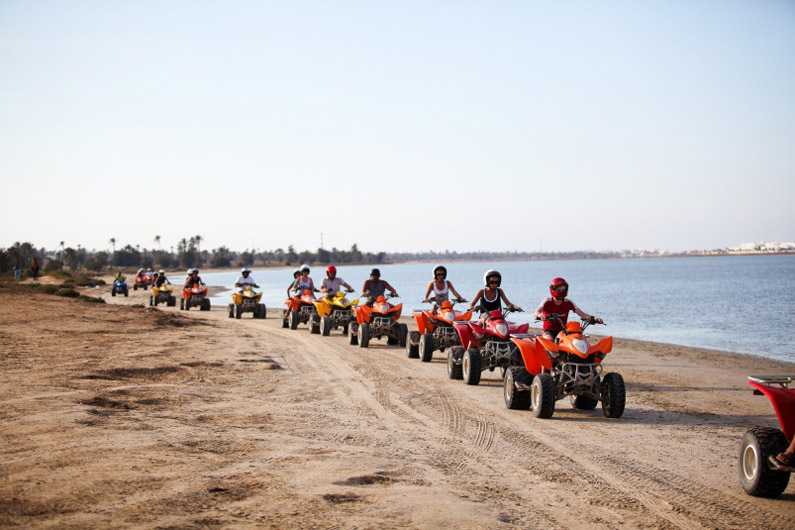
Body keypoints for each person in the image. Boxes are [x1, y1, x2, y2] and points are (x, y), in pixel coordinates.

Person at [533, 277, 603, 341]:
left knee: (572, 341)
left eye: (563, 289)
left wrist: (595, 318)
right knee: (549, 339)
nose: (561, 291)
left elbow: (582, 314)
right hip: (548, 330)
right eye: (559, 290)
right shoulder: (547, 301)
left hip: (563, 330)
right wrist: (540, 315)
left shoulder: (568, 302)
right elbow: (536, 312)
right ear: (553, 289)